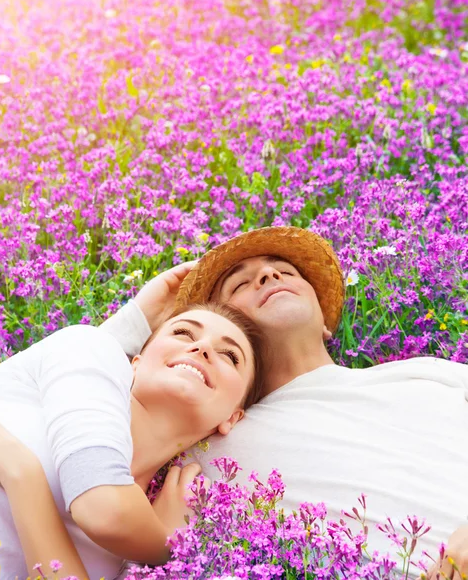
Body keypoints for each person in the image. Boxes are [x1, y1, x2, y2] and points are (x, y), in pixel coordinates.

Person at [102, 225, 468, 579]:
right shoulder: (206, 440)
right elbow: (69, 417)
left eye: (285, 271)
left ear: (325, 322)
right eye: (241, 284)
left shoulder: (429, 373)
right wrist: (134, 321)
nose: (267, 276)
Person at [0, 302, 266, 580]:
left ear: (232, 417)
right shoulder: (92, 351)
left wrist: (19, 471)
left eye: (230, 356)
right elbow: (103, 510)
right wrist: (166, 546)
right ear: (134, 362)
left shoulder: (125, 556)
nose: (201, 349)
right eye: (183, 332)